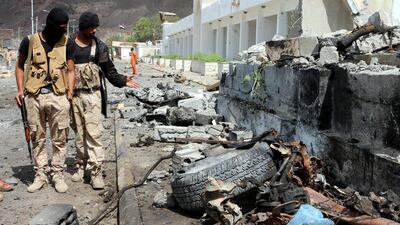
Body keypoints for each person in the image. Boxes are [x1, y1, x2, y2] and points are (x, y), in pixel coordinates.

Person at [70, 11, 139, 189]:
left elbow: (109, 71)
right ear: (82, 27)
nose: (94, 30)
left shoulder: (99, 47)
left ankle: (95, 172)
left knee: (94, 133)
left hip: (93, 95)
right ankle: (80, 165)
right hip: (73, 95)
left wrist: (123, 80)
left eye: (96, 27)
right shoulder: (68, 45)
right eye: (91, 27)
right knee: (78, 133)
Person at [15, 7, 76, 193]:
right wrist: (19, 90)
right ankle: (40, 174)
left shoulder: (67, 42)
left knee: (60, 138)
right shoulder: (30, 41)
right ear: (50, 24)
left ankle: (58, 174)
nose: (62, 30)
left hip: (58, 96)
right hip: (34, 96)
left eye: (65, 27)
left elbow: (72, 70)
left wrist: (70, 93)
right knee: (37, 137)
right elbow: (19, 65)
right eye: (59, 26)